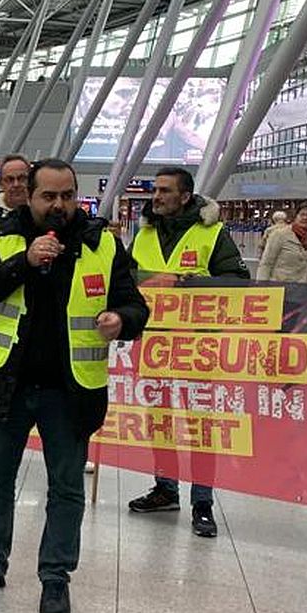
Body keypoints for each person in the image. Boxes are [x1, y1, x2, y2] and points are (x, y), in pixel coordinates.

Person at [0, 158, 149, 613]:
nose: (59, 205)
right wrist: (24, 260)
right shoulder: (0, 234)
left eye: (67, 196)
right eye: (49, 197)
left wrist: (122, 320)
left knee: (66, 486)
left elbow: (135, 304)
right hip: (5, 382)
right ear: (28, 196)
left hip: (71, 389)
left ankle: (55, 577)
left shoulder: (102, 243)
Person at [126, 166, 248, 537]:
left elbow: (237, 283)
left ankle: (203, 501)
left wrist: (183, 282)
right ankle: (165, 488)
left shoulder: (211, 233)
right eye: (155, 190)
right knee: (159, 419)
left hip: (197, 347)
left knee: (200, 425)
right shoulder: (145, 232)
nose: (156, 197)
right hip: (154, 344)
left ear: (185, 195)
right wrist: (147, 281)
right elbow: (125, 275)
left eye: (165, 191)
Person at [256, 203, 307, 283]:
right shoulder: (279, 235)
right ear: (296, 216)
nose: (305, 218)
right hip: (280, 287)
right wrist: (261, 286)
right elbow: (266, 263)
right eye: (302, 214)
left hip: (304, 289)